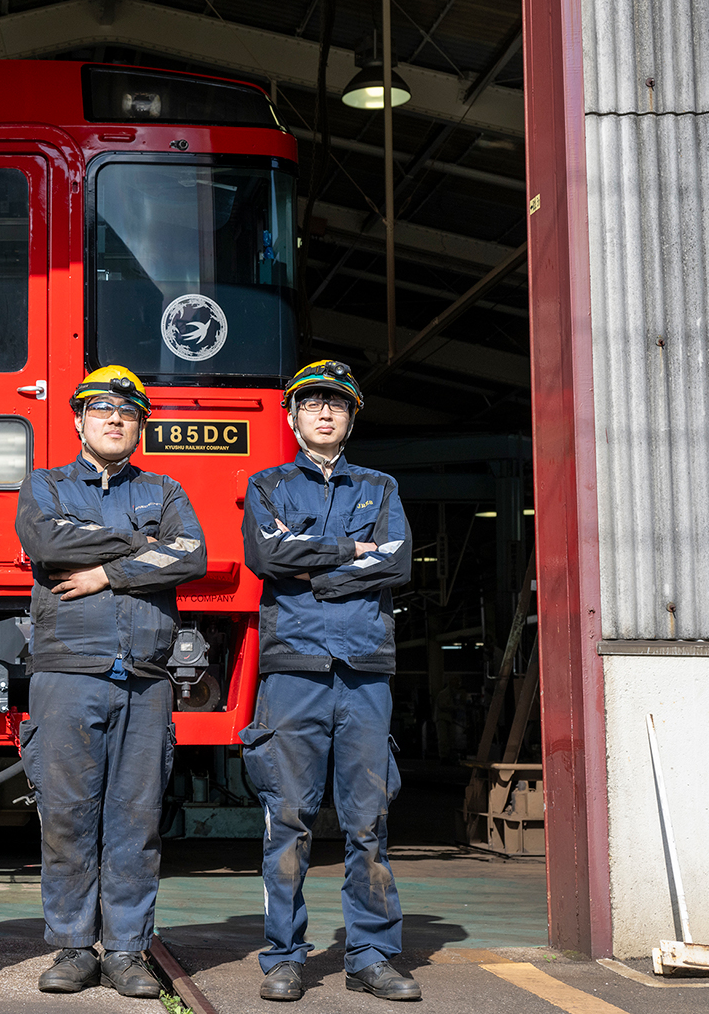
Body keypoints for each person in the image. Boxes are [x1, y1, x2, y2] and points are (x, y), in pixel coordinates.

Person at [14, 365, 207, 999]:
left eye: (127, 412)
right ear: (78, 421)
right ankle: (72, 946)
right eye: (101, 411)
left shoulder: (165, 487)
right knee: (67, 813)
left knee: (135, 817)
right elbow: (46, 543)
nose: (115, 419)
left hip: (145, 677)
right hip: (69, 670)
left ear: (140, 425)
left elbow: (192, 553)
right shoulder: (45, 486)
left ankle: (126, 949)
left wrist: (105, 572)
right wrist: (139, 546)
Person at [239, 359, 418, 1003]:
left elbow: (397, 563)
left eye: (336, 405)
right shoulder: (267, 486)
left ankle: (371, 953)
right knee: (288, 817)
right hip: (295, 669)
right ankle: (284, 954)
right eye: (311, 403)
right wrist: (351, 552)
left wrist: (315, 570)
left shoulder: (381, 486)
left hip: (365, 669)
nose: (323, 412)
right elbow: (268, 556)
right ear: (291, 417)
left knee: (367, 820)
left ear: (349, 419)